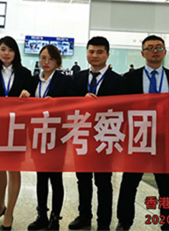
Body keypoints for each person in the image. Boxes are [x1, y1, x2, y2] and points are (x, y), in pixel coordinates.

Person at [116, 35, 169, 231]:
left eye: (159, 47)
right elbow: (119, 106)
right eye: (150, 47)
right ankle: (124, 222)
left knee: (168, 186)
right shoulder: (130, 78)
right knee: (129, 183)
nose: (155, 51)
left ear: (165, 52)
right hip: (138, 139)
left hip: (165, 140)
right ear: (143, 53)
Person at [69, 36, 126, 231]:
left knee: (103, 182)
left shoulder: (118, 81)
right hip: (82, 135)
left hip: (105, 137)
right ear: (86, 53)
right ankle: (84, 216)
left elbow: (122, 110)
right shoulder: (77, 78)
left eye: (100, 52)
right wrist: (80, 100)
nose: (95, 55)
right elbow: (67, 103)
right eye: (91, 51)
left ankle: (104, 222)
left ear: (107, 55)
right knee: (83, 179)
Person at [0, 36, 31, 230]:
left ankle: (9, 212)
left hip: (17, 127)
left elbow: (33, 98)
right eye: (3, 49)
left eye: (10, 50)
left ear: (16, 53)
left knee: (14, 168)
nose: (6, 53)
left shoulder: (25, 73)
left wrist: (28, 95)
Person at [28, 44, 75, 231]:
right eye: (43, 58)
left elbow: (72, 103)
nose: (46, 62)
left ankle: (55, 218)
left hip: (56, 135)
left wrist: (56, 103)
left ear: (57, 61)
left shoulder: (65, 80)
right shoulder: (33, 80)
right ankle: (42, 215)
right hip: (37, 134)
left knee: (56, 177)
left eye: (50, 59)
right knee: (41, 177)